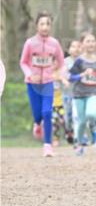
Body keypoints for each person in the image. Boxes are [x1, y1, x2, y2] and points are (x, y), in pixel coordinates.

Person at [19, 11, 65, 158]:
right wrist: (29, 74)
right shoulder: (30, 43)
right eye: (42, 24)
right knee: (37, 114)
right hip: (32, 84)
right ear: (37, 26)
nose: (45, 27)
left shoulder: (54, 43)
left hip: (47, 83)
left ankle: (47, 146)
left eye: (48, 24)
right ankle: (37, 123)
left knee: (47, 112)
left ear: (51, 26)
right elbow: (23, 62)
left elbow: (61, 63)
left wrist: (57, 74)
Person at [68, 32, 96, 156]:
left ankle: (93, 129)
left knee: (91, 114)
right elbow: (70, 77)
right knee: (81, 122)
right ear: (82, 44)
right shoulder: (79, 61)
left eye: (93, 41)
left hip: (93, 93)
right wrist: (80, 75)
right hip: (79, 94)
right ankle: (78, 144)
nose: (91, 43)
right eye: (88, 41)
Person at [62, 38, 80, 144]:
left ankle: (79, 135)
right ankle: (68, 130)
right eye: (73, 46)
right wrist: (64, 80)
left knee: (78, 115)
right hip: (67, 93)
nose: (76, 49)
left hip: (80, 93)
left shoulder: (84, 61)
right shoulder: (65, 62)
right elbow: (61, 74)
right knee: (68, 116)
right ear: (68, 50)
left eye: (78, 46)